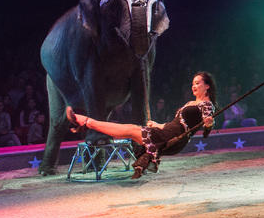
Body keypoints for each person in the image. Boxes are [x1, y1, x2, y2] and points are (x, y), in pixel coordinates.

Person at [65, 72, 217, 179]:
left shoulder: (206, 105)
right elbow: (175, 123)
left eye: (197, 83)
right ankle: (85, 122)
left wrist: (209, 124)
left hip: (174, 137)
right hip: (168, 131)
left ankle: (86, 122)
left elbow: (207, 122)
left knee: (131, 130)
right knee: (131, 130)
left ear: (207, 86)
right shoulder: (191, 103)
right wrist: (158, 125)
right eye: (192, 84)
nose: (193, 86)